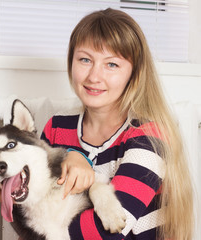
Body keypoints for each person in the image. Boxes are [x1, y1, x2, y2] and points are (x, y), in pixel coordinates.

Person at [41, 8, 194, 240]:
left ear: (134, 73)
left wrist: (38, 229)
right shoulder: (56, 128)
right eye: (85, 59)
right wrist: (71, 155)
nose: (94, 76)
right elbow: (26, 205)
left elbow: (108, 231)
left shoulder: (150, 136)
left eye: (111, 64)